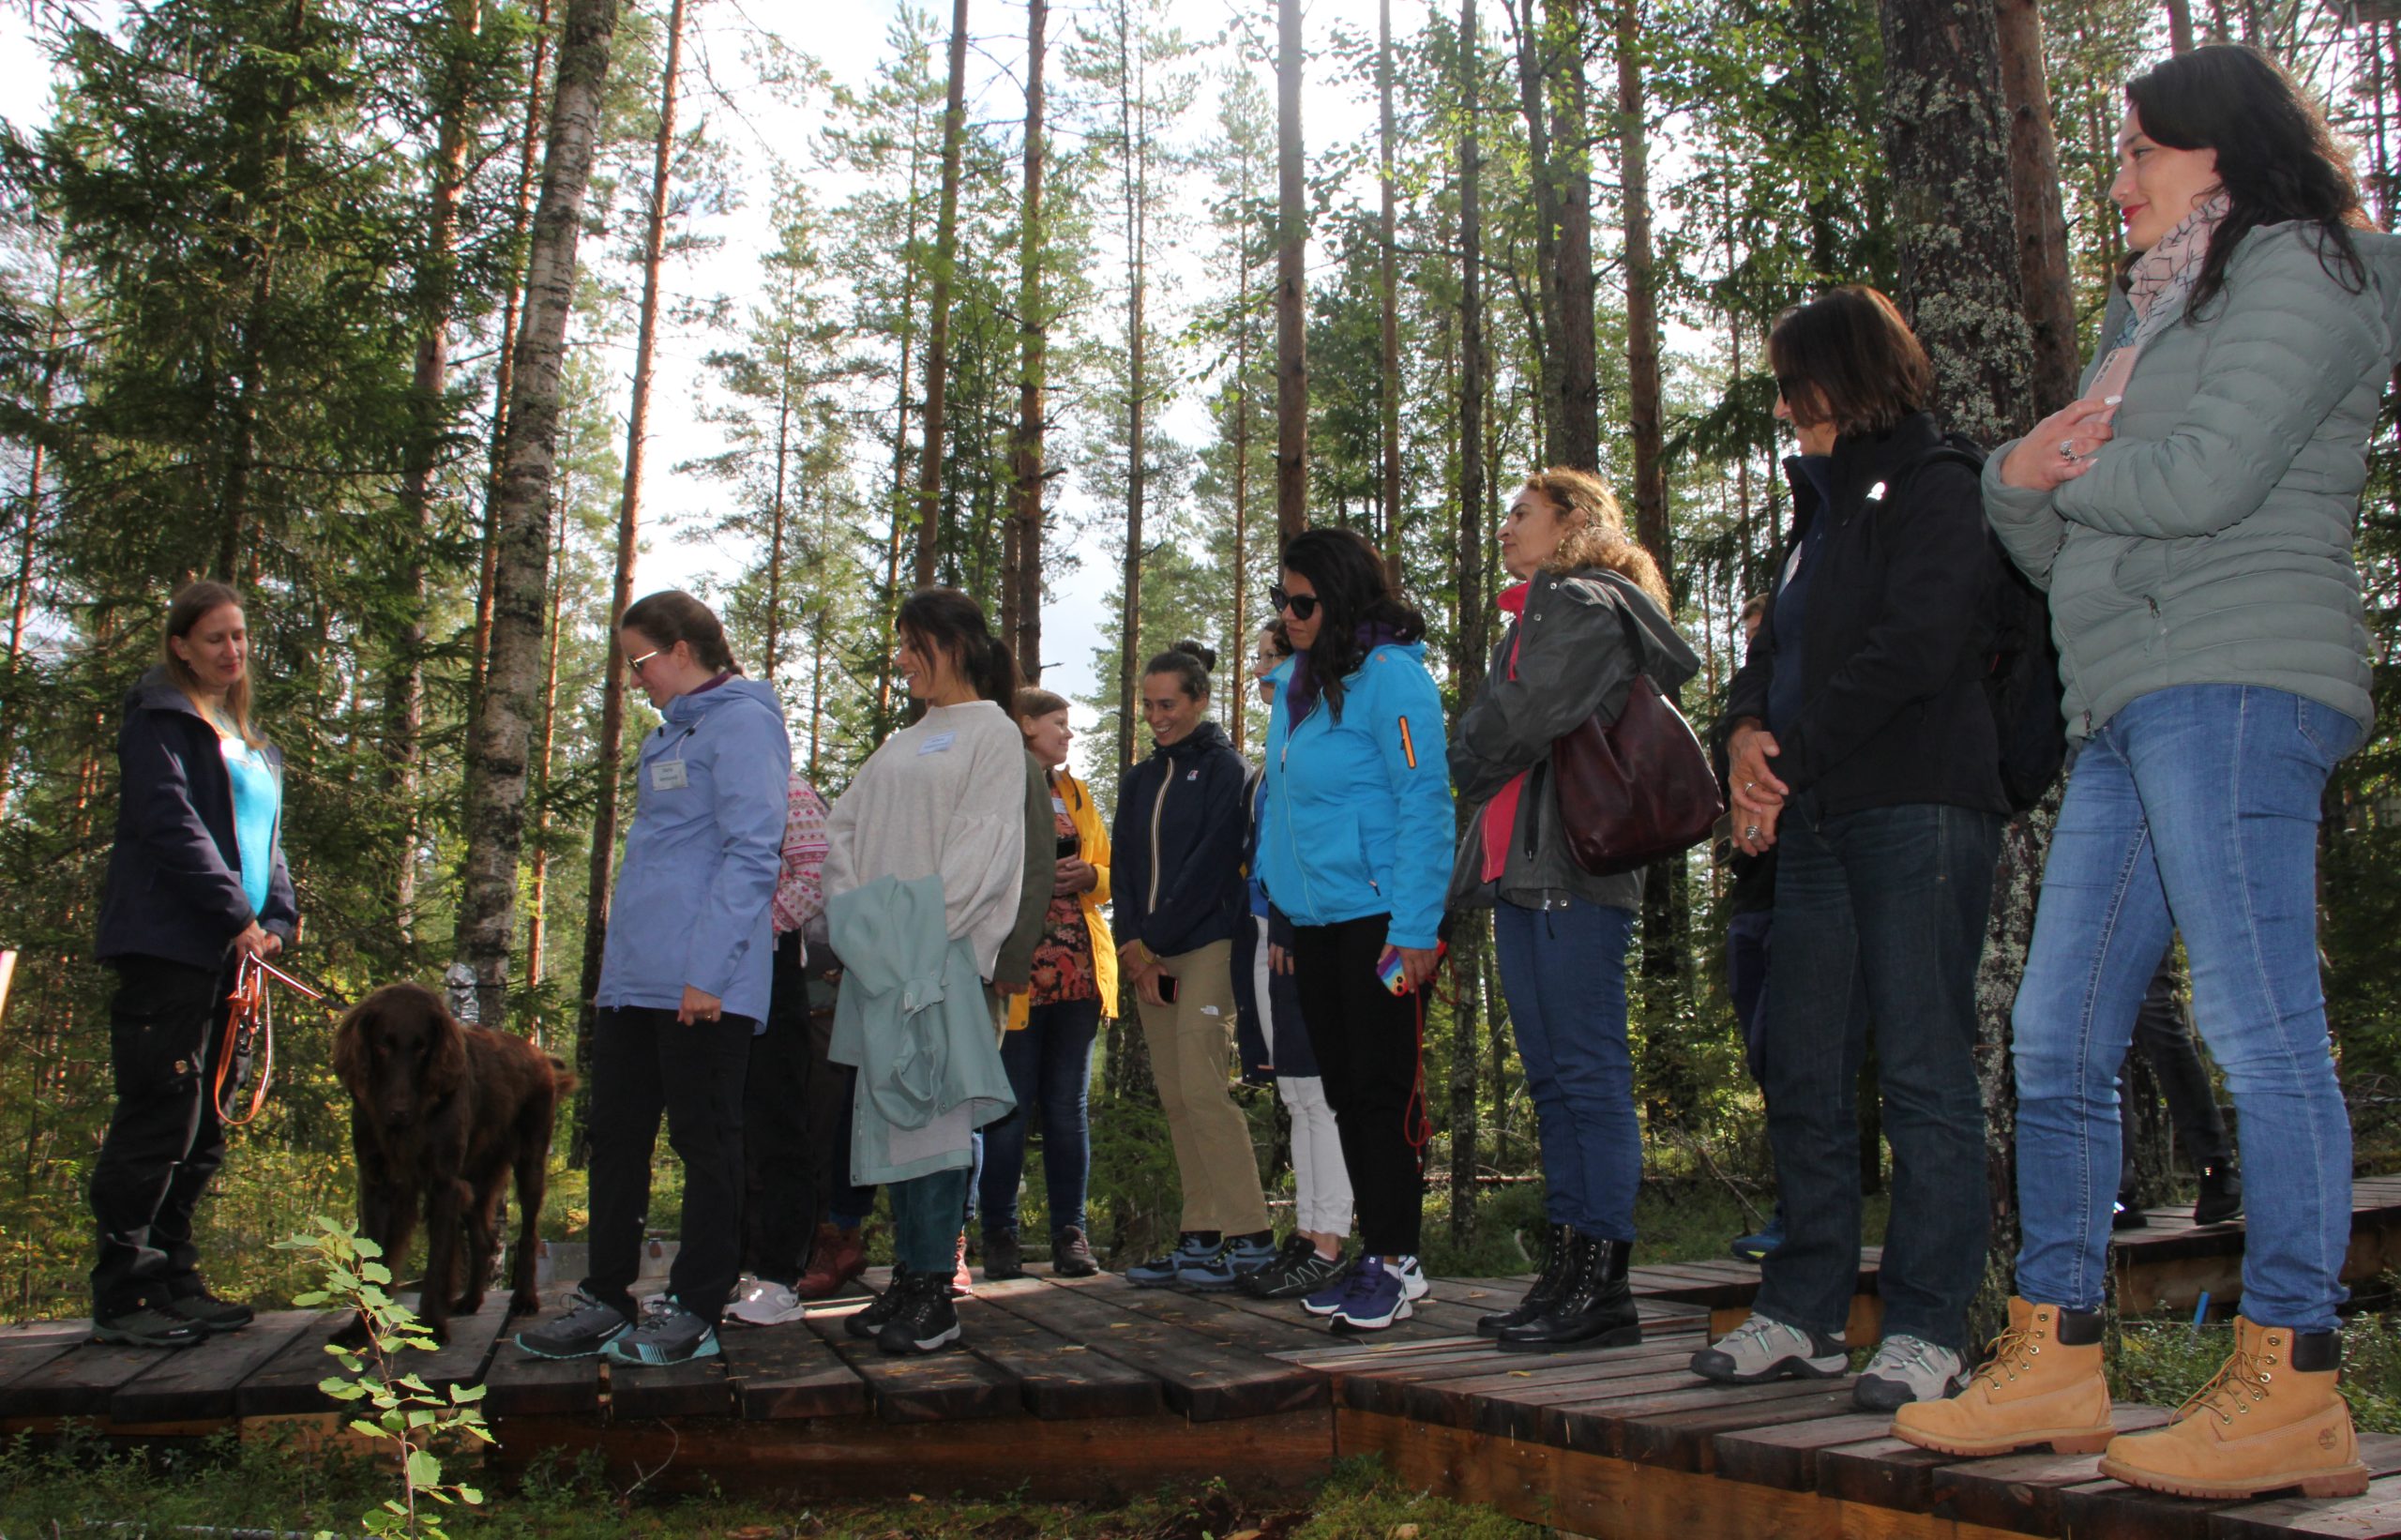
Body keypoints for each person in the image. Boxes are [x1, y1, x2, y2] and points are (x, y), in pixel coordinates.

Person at [1895, 46, 2399, 1499]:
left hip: (2238, 682)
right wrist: (2021, 479)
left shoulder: (2311, 267)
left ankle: (2297, 1372)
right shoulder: (2150, 309)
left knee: (2257, 1026)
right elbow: (2047, 542)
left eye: (2136, 152)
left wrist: (2056, 474)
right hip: (2128, 698)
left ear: (2219, 155)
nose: (2113, 178)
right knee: (2054, 1037)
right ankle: (2057, 1353)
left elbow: (2207, 480)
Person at [1689, 286, 2008, 1410]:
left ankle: (1928, 1326)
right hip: (1816, 820)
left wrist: (1791, 756)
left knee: (1922, 1068)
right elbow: (1769, 651)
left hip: (1919, 804)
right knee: (1806, 1066)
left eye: (1793, 383)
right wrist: (1740, 737)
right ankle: (1803, 1309)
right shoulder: (1815, 512)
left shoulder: (1936, 482)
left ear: (1847, 375)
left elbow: (1915, 646)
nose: (1781, 406)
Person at [1450, 470, 1697, 1352]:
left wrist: (1474, 738)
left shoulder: (1589, 603)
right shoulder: (1534, 615)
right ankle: (1566, 1271)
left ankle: (1604, 1284)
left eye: (1523, 513)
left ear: (1574, 524)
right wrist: (1483, 736)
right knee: (1553, 1082)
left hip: (1576, 871)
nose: (1507, 526)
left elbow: (1514, 721)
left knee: (1587, 1075)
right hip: (1522, 874)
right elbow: (1498, 730)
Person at [518, 592, 791, 1367]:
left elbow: (752, 852)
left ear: (679, 650)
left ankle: (698, 1309)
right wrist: (615, 978)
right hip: (637, 983)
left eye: (638, 662)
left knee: (705, 1143)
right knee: (616, 1140)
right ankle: (606, 1299)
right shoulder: (671, 733)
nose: (633, 679)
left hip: (704, 985)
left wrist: (706, 973)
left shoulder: (744, 724)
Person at [820, 587, 1035, 1356]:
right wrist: (860, 926)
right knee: (891, 1116)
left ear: (956, 644)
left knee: (937, 1118)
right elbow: (839, 833)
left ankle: (935, 1294)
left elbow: (984, 857)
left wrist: (908, 931)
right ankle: (908, 1278)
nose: (903, 658)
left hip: (938, 959)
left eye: (915, 643)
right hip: (887, 958)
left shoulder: (993, 736)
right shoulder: (903, 740)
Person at [89, 581, 297, 1348]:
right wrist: (233, 916)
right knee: (158, 1115)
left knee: (207, 1123)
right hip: (169, 948)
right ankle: (125, 1293)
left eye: (240, 637)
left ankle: (175, 1275)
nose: (232, 651)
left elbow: (265, 842)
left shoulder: (251, 741)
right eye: (215, 639)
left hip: (235, 957)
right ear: (180, 646)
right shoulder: (159, 722)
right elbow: (170, 825)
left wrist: (275, 918)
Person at [1256, 529, 1454, 1333]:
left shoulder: (1392, 680)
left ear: (1340, 598)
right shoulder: (1297, 686)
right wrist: (1278, 905)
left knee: (1382, 1091)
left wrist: (1414, 928)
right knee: (1342, 1092)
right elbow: (1286, 807)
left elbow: (1425, 803)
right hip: (1315, 923)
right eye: (1282, 601)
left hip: (1382, 926)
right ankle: (1377, 1255)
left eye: (1303, 602)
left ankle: (1398, 1259)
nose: (1290, 615)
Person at [1115, 642, 1277, 1291]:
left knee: (1206, 1087)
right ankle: (1200, 1235)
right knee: (1176, 1095)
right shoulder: (1139, 779)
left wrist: (1152, 940)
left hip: (1208, 944)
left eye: (1168, 704)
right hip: (1146, 956)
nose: (1157, 717)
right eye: (1148, 706)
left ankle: (1253, 1235)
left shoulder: (1224, 770)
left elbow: (1213, 864)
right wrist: (1132, 945)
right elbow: (1125, 872)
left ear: (1199, 700)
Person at [1233, 622, 1357, 1303]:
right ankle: (1310, 1233)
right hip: (1262, 931)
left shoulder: (1314, 737)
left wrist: (1284, 921)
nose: (1260, 671)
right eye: (1257, 660)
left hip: (1297, 930)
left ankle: (1330, 1239)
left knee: (1318, 1094)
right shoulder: (1274, 747)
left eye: (1271, 658)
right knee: (1295, 1091)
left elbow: (1304, 838)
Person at [979, 687, 1114, 1280]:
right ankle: (999, 1238)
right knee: (1006, 1110)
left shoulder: (1076, 792)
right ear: (1025, 724)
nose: (1068, 734)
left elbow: (1112, 872)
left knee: (1067, 1109)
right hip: (1016, 977)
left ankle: (1070, 1235)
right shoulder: (995, 788)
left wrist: (1090, 873)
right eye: (1059, 724)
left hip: (1079, 976)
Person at [724, 768, 836, 1327]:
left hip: (770, 975)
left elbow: (816, 874)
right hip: (697, 980)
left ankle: (778, 1276)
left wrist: (741, 932)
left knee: (778, 1129)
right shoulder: (696, 782)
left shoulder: (783, 784)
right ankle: (720, 1269)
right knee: (716, 1134)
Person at [1720, 595, 1785, 1263]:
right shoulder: (1743, 721)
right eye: (1750, 636)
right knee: (1765, 1057)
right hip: (1752, 906)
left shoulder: (1803, 705)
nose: (1755, 644)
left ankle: (1807, 1212)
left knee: (1787, 1048)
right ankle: (1791, 1206)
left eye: (1765, 633)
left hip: (1803, 900)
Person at [2111, 946, 2241, 1230]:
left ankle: (2215, 1171)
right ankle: (2118, 1192)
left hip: (2140, 904)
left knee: (2150, 1011)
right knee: (2105, 1029)